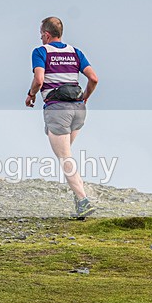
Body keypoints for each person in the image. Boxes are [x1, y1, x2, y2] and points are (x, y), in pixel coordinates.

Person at [25, 16, 99, 219]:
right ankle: (79, 200)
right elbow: (93, 78)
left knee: (65, 157)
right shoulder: (75, 52)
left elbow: (39, 79)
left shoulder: (41, 52)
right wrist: (85, 98)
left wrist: (31, 95)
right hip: (78, 109)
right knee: (68, 155)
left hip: (57, 108)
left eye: (41, 34)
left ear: (46, 34)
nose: (40, 38)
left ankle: (83, 200)